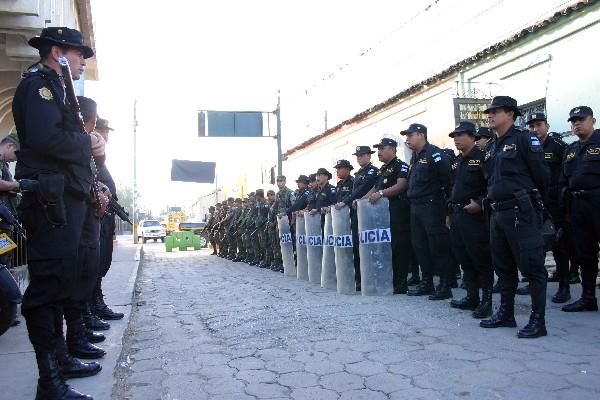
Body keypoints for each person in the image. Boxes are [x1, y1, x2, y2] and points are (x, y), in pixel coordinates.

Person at [14, 26, 102, 399]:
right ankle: (49, 382)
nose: (83, 60)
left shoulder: (58, 89)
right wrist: (88, 140)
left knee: (63, 281)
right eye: (78, 52)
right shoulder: (39, 87)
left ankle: (61, 360)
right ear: (57, 52)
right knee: (48, 287)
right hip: (52, 204)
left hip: (67, 200)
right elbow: (45, 139)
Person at [479, 96, 549, 339]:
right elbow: (489, 179)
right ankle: (506, 314)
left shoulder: (524, 139)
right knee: (504, 266)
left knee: (532, 267)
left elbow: (541, 176)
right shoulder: (491, 146)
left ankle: (538, 321)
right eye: (489, 112)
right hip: (498, 212)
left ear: (510, 114)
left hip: (521, 211)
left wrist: (534, 205)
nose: (490, 115)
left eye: (495, 112)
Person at [523, 112, 571, 303]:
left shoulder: (559, 147)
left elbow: (568, 172)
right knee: (535, 245)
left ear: (547, 126)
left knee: (560, 245)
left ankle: (564, 285)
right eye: (532, 126)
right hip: (534, 202)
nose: (535, 129)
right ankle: (535, 282)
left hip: (555, 202)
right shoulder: (527, 146)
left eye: (539, 125)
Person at [446, 121, 493, 318]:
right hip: (457, 215)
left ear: (473, 137)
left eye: (461, 135)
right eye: (454, 136)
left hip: (475, 216)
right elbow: (451, 189)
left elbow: (492, 186)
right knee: (464, 257)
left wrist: (480, 203)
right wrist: (448, 214)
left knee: (480, 258)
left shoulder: (483, 158)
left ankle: (487, 300)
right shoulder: (457, 161)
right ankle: (471, 296)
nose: (456, 139)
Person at [402, 124, 454, 300]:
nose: (407, 139)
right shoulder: (415, 157)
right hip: (415, 207)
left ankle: (445, 285)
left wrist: (447, 208)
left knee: (438, 246)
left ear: (421, 135)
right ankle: (427, 283)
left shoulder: (435, 154)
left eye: (410, 135)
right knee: (420, 247)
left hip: (432, 206)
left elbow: (448, 180)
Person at [560, 106, 600, 313]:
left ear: (592, 120)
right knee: (585, 253)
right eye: (573, 121)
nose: (576, 124)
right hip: (577, 205)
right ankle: (588, 297)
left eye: (581, 119)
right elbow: (563, 182)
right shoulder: (571, 150)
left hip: (597, 201)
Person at [364, 138, 411, 294]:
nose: (379, 152)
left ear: (392, 149)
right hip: (380, 215)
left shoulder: (401, 166)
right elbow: (375, 188)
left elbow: (401, 185)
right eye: (378, 149)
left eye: (382, 148)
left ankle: (401, 282)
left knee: (398, 247)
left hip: (397, 210)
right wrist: (362, 200)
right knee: (384, 247)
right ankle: (388, 278)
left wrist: (382, 193)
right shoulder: (382, 169)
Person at [92, 117, 124, 320]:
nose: (106, 136)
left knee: (102, 262)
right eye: (103, 131)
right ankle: (91, 308)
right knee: (94, 265)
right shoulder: (89, 155)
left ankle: (95, 303)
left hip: (104, 217)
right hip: (96, 218)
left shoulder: (97, 158)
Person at [335, 147, 379, 291]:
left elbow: (364, 188)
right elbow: (356, 192)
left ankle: (369, 277)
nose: (359, 158)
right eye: (357, 156)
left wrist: (347, 201)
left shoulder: (372, 171)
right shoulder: (359, 173)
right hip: (356, 212)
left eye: (362, 155)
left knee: (368, 247)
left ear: (368, 156)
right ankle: (359, 277)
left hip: (368, 212)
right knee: (357, 246)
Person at [0, 133, 21, 268]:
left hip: (5, 222)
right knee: (2, 262)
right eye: (16, 154)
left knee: (5, 259)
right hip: (1, 224)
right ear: (10, 146)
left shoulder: (4, 164)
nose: (15, 160)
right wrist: (17, 185)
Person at [272, 176, 295, 271]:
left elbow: (294, 206)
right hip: (279, 221)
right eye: (277, 181)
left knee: (288, 243)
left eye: (281, 181)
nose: (279, 183)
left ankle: (289, 264)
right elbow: (276, 208)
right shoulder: (277, 194)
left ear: (285, 182)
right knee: (280, 242)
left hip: (287, 221)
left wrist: (293, 220)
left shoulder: (290, 192)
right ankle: (281, 263)